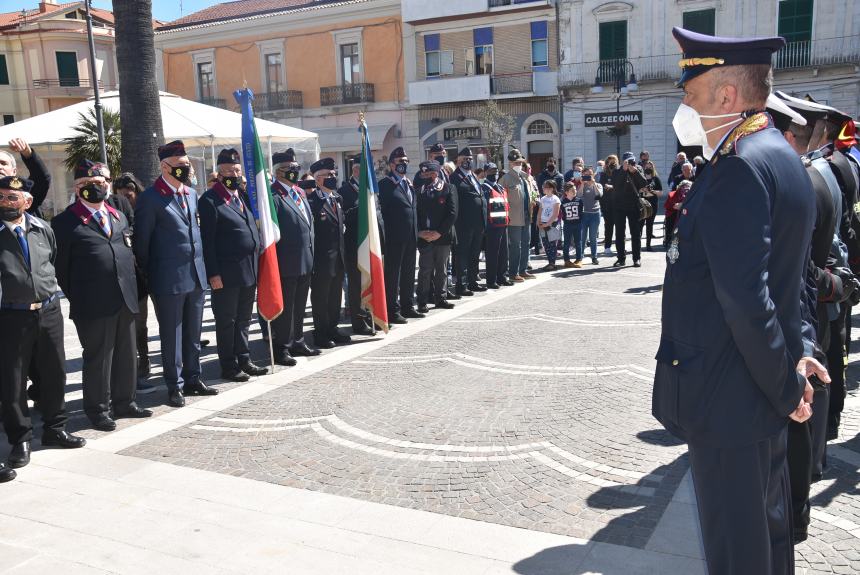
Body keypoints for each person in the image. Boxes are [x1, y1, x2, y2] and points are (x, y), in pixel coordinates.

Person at [652, 27, 827, 575]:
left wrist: (786, 386)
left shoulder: (738, 169)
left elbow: (749, 300)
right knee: (766, 538)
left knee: (736, 549)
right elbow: (789, 282)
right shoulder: (778, 155)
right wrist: (796, 355)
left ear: (726, 96)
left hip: (730, 396)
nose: (685, 105)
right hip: (754, 394)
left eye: (692, 92)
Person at [51, 160, 152, 431]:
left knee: (127, 354)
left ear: (107, 185)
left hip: (126, 297)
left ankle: (125, 402)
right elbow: (62, 270)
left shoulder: (118, 215)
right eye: (87, 184)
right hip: (92, 303)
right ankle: (98, 409)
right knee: (99, 358)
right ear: (77, 187)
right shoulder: (64, 222)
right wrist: (81, 297)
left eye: (99, 183)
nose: (94, 188)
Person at [0, 175, 87, 471]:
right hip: (11, 315)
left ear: (27, 201)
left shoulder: (42, 229)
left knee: (54, 372)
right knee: (12, 380)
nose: (5, 202)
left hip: (48, 311)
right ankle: (20, 439)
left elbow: (52, 261)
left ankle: (55, 428)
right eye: (0, 197)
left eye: (12, 197)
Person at [134, 140, 217, 408]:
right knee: (172, 335)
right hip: (167, 278)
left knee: (193, 333)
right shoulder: (150, 197)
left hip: (195, 275)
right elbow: (142, 243)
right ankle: (175, 385)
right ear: (165, 166)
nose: (186, 169)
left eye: (187, 164)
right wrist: (151, 274)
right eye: (180, 165)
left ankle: (194, 378)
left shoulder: (191, 194)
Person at [199, 149, 267, 382]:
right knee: (226, 321)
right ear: (218, 173)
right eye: (228, 171)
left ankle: (244, 359)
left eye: (236, 170)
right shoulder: (209, 200)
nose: (233, 174)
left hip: (248, 270)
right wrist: (213, 274)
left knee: (244, 319)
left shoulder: (241, 196)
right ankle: (228, 365)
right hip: (226, 274)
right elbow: (207, 242)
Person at [269, 149, 319, 364]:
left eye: (297, 168)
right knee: (286, 308)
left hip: (305, 259)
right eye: (291, 169)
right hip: (286, 262)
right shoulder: (273, 196)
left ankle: (298, 340)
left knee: (299, 305)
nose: (295, 172)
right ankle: (282, 347)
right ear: (279, 172)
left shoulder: (298, 192)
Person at [112, 173, 157, 394]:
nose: (125, 200)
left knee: (151, 322)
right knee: (135, 325)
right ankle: (139, 363)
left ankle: (151, 360)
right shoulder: (116, 215)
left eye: (128, 195)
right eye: (120, 195)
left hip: (148, 275)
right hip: (130, 279)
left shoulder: (146, 209)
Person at [339, 156, 385, 336]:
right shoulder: (344, 190)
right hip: (355, 245)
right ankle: (358, 322)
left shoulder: (371, 189)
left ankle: (372, 316)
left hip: (372, 243)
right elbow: (344, 217)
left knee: (372, 280)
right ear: (356, 170)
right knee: (357, 284)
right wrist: (362, 207)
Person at [307, 158, 350, 348]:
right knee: (321, 299)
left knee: (335, 297)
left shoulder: (337, 198)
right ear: (317, 179)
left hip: (338, 259)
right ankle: (321, 333)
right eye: (328, 175)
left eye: (334, 174)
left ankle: (333, 328)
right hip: (322, 260)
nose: (332, 177)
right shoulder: (312, 202)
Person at [377, 147, 421, 323]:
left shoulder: (409, 184)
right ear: (391, 165)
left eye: (405, 161)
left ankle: (407, 306)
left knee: (409, 273)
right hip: (394, 238)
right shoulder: (385, 185)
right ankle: (392, 310)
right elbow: (382, 212)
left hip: (411, 236)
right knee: (393, 275)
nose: (403, 165)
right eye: (399, 162)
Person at [416, 160, 457, 312]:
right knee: (425, 270)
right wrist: (420, 232)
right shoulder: (418, 192)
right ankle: (422, 300)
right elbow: (415, 215)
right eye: (424, 174)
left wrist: (438, 233)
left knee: (442, 269)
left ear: (436, 173)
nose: (426, 176)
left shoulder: (448, 189)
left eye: (429, 174)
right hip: (425, 237)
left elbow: (452, 214)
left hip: (442, 237)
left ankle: (441, 298)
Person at [450, 147, 488, 295]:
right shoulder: (454, 177)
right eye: (465, 159)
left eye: (470, 159)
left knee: (474, 253)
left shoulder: (473, 175)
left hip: (478, 223)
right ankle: (462, 284)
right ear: (458, 161)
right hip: (463, 224)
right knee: (462, 255)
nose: (468, 161)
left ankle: (472, 281)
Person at [499, 148, 534, 282]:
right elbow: (500, 199)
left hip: (526, 214)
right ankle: (513, 272)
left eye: (520, 162)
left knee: (526, 243)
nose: (518, 165)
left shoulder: (525, 177)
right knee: (515, 245)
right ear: (510, 164)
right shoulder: (505, 179)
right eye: (515, 163)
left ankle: (523, 269)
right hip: (513, 217)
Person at [610, 152, 647, 267]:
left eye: (632, 161)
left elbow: (644, 183)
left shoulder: (638, 169)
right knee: (620, 233)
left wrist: (634, 172)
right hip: (619, 206)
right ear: (623, 162)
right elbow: (616, 185)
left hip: (633, 205)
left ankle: (637, 258)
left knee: (635, 233)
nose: (631, 163)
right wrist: (624, 171)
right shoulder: (617, 171)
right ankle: (621, 258)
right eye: (628, 161)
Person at [481, 162, 510, 288]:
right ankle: (491, 280)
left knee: (504, 253)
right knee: (493, 254)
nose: (495, 173)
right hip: (492, 227)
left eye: (496, 171)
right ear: (486, 173)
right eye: (492, 171)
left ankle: (502, 277)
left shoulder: (500, 187)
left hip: (503, 224)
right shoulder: (484, 188)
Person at [578, 166, 602, 266]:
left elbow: (599, 195)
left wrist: (594, 184)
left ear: (593, 175)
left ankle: (594, 257)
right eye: (586, 175)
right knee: (582, 237)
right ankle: (580, 257)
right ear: (583, 175)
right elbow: (578, 195)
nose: (588, 177)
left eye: (590, 175)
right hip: (584, 214)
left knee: (593, 237)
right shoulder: (582, 185)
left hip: (595, 214)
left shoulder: (598, 185)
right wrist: (582, 184)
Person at [537, 180, 561, 271]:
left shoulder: (555, 199)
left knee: (552, 244)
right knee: (546, 244)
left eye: (546, 187)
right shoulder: (543, 199)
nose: (543, 188)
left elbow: (555, 214)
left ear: (551, 189)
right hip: (543, 223)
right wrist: (539, 221)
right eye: (543, 187)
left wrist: (547, 224)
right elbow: (540, 211)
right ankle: (549, 262)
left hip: (552, 224)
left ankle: (552, 263)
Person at [640, 160, 663, 251]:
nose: (648, 169)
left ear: (653, 168)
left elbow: (660, 192)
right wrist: (642, 190)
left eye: (650, 167)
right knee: (640, 224)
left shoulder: (656, 178)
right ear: (644, 168)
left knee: (650, 224)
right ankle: (638, 244)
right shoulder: (641, 178)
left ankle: (648, 245)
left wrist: (652, 191)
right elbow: (636, 190)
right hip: (642, 203)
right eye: (646, 167)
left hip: (652, 204)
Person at [560, 182, 584, 268]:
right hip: (567, 225)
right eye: (572, 190)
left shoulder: (579, 200)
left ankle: (579, 259)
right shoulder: (562, 202)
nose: (574, 191)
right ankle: (567, 260)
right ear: (566, 192)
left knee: (578, 242)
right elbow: (561, 213)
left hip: (577, 224)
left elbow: (581, 212)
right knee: (566, 243)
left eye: (575, 189)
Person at [599, 154, 618, 256]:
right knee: (608, 226)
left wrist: (613, 186)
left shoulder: (619, 172)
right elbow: (601, 187)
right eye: (609, 162)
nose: (611, 164)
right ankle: (607, 247)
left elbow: (621, 186)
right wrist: (605, 186)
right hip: (607, 204)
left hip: (618, 204)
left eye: (613, 162)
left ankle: (620, 246)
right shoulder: (603, 174)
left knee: (619, 226)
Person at [663, 180, 692, 247]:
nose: (686, 189)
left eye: (688, 187)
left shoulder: (692, 195)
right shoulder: (672, 194)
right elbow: (667, 205)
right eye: (684, 187)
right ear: (680, 187)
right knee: (672, 217)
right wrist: (674, 206)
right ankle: (669, 239)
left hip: (686, 214)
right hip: (673, 213)